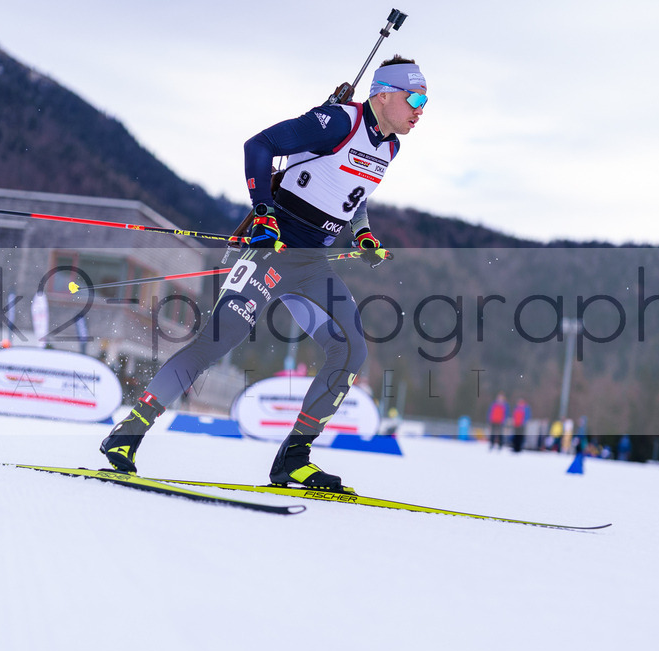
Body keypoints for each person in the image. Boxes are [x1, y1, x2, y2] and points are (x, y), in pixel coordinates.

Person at [99, 57, 428, 492]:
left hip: (311, 264)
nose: (420, 110)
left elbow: (357, 190)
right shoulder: (337, 122)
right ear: (383, 95)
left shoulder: (390, 147)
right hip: (272, 252)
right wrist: (263, 213)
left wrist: (362, 232)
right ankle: (127, 434)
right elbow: (258, 146)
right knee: (215, 343)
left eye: (425, 102)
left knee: (350, 350)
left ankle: (294, 459)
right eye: (415, 99)